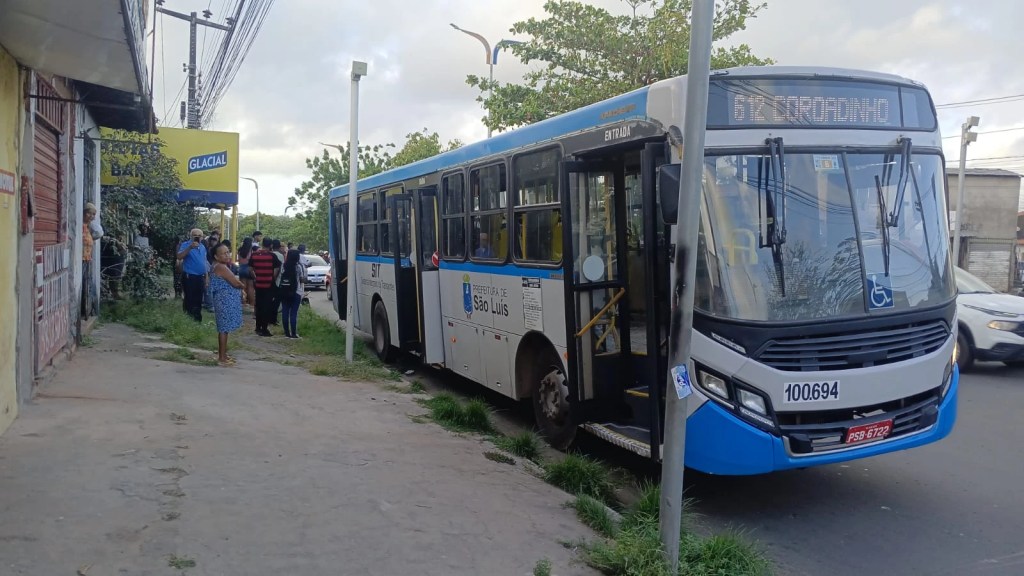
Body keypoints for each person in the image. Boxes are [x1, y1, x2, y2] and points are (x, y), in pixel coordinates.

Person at [210, 242, 244, 366]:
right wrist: (242, 286)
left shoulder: (217, 266)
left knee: (224, 328)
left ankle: (223, 354)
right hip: (225, 301)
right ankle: (222, 358)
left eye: (227, 252)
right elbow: (236, 283)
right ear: (216, 256)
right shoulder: (221, 267)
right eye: (223, 253)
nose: (227, 255)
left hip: (222, 300)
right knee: (224, 329)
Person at [176, 228, 208, 321]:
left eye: (199, 236)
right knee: (189, 298)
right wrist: (190, 247)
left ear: (202, 237)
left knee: (199, 299)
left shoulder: (202, 247)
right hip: (189, 276)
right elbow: (179, 257)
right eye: (195, 235)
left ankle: (197, 319)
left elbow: (204, 262)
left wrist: (206, 277)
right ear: (191, 236)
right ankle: (188, 318)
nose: (197, 237)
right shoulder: (185, 245)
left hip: (200, 277)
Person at [249, 237, 279, 336]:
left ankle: (258, 327)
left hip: (258, 284)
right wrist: (272, 278)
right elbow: (276, 269)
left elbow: (250, 269)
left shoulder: (254, 255)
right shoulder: (272, 256)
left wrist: (255, 277)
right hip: (268, 284)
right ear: (270, 245)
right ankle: (264, 329)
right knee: (266, 306)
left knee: (259, 305)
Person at [279, 249, 306, 339]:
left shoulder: (283, 265)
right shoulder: (299, 266)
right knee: (293, 313)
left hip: (284, 291)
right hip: (296, 292)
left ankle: (286, 333)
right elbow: (302, 279)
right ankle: (294, 334)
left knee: (285, 312)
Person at [81, 203, 100, 319]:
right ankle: (86, 311)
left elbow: (97, 234)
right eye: (89, 213)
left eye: (93, 214)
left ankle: (89, 310)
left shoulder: (89, 227)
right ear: (83, 213)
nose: (91, 216)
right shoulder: (81, 226)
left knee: (87, 283)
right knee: (86, 284)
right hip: (82, 259)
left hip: (87, 259)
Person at [237, 237, 255, 308]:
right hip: (248, 268)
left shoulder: (240, 250)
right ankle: (252, 303)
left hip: (241, 268)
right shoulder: (251, 250)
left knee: (243, 287)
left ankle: (243, 302)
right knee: (251, 287)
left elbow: (238, 260)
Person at [271, 239, 286, 326]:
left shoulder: (270, 254)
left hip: (269, 280)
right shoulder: (280, 256)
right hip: (278, 281)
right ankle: (274, 319)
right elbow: (281, 269)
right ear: (279, 247)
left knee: (270, 300)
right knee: (276, 302)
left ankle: (269, 318)